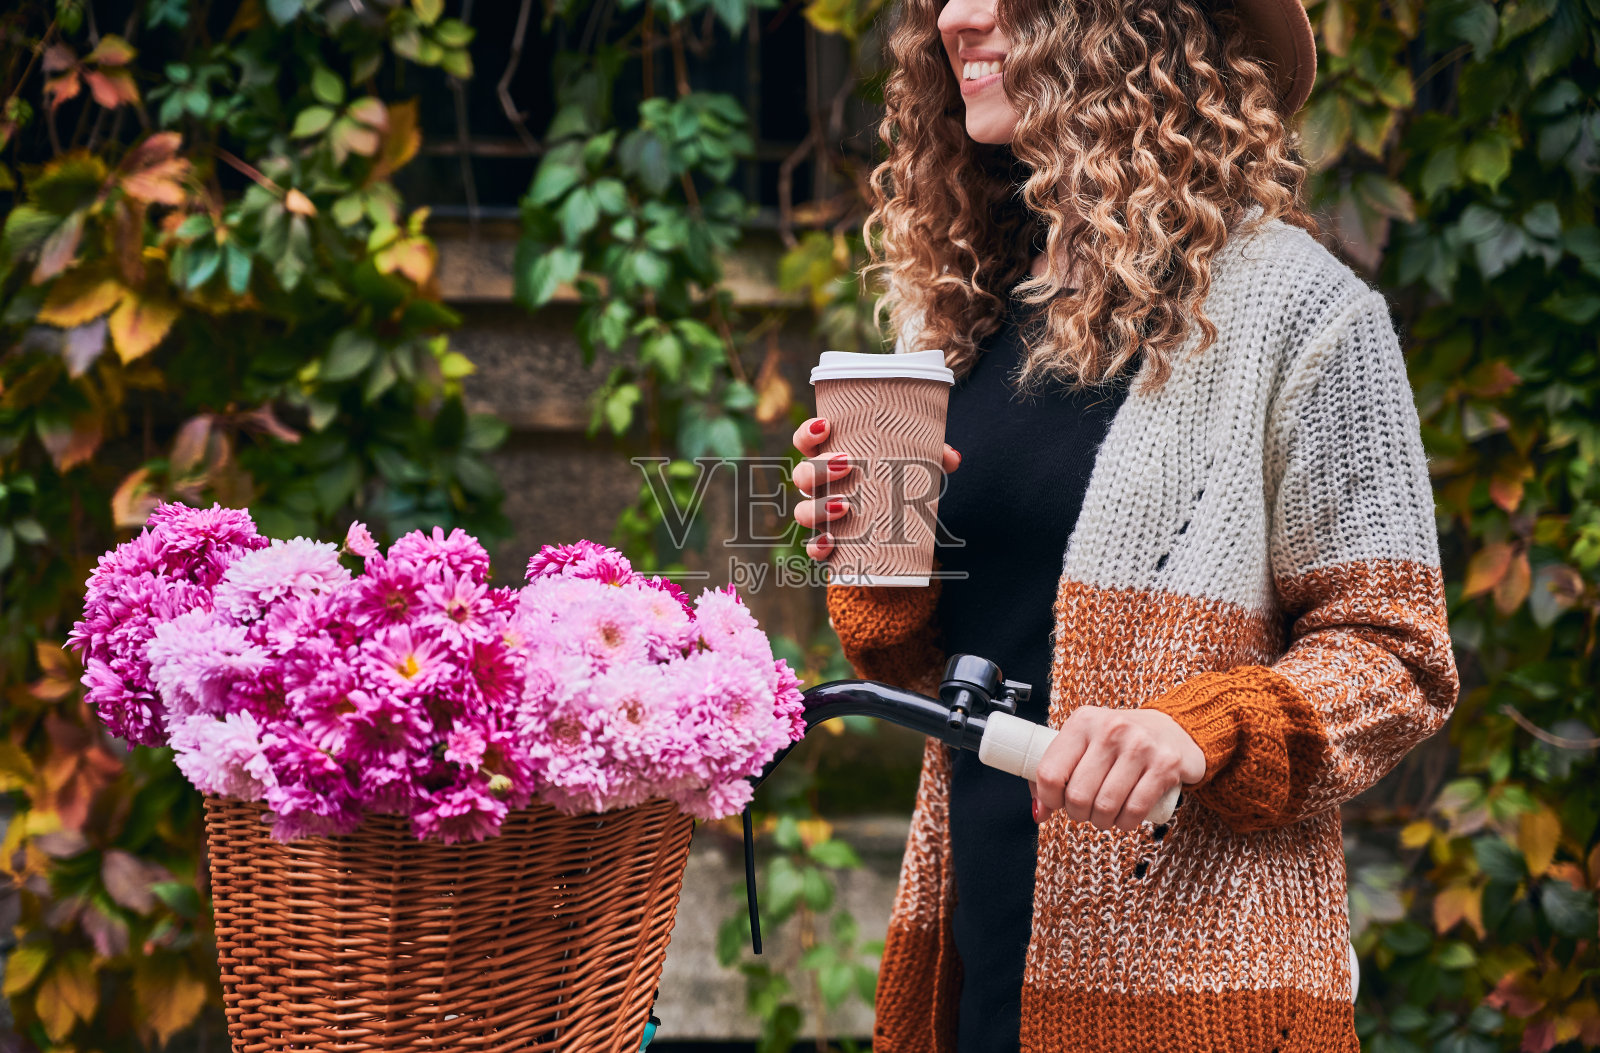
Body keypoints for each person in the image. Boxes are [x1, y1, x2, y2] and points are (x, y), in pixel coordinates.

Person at [788, 0, 1461, 1049]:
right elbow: (914, 667)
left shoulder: (1300, 314)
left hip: (1198, 995)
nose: (957, 15)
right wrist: (868, 552)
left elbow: (1396, 657)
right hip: (973, 963)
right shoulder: (959, 319)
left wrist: (1193, 730)